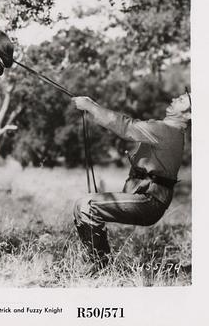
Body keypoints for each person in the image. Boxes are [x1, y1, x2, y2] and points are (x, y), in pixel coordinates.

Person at [71, 91, 191, 270]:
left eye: (181, 100)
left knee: (86, 205)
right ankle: (99, 264)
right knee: (85, 205)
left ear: (189, 114)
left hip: (149, 202)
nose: (174, 99)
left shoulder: (167, 130)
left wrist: (90, 107)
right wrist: (92, 105)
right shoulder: (171, 131)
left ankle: (100, 267)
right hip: (150, 200)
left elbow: (126, 127)